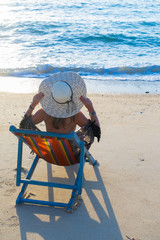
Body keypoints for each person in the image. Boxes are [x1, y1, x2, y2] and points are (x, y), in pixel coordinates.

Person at [20, 72, 101, 159]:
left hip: (51, 154)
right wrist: (90, 109)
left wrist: (33, 104)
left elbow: (24, 125)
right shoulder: (76, 116)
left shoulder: (44, 113)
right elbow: (95, 130)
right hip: (70, 156)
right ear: (71, 95)